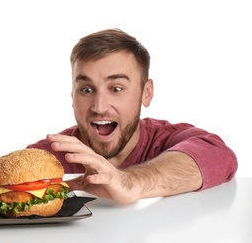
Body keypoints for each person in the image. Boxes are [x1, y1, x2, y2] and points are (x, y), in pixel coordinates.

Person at [27, 28, 238, 204]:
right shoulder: (43, 158)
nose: (99, 107)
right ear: (73, 96)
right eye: (86, 90)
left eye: (116, 89)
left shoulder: (165, 138)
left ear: (146, 93)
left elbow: (218, 155)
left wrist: (130, 182)